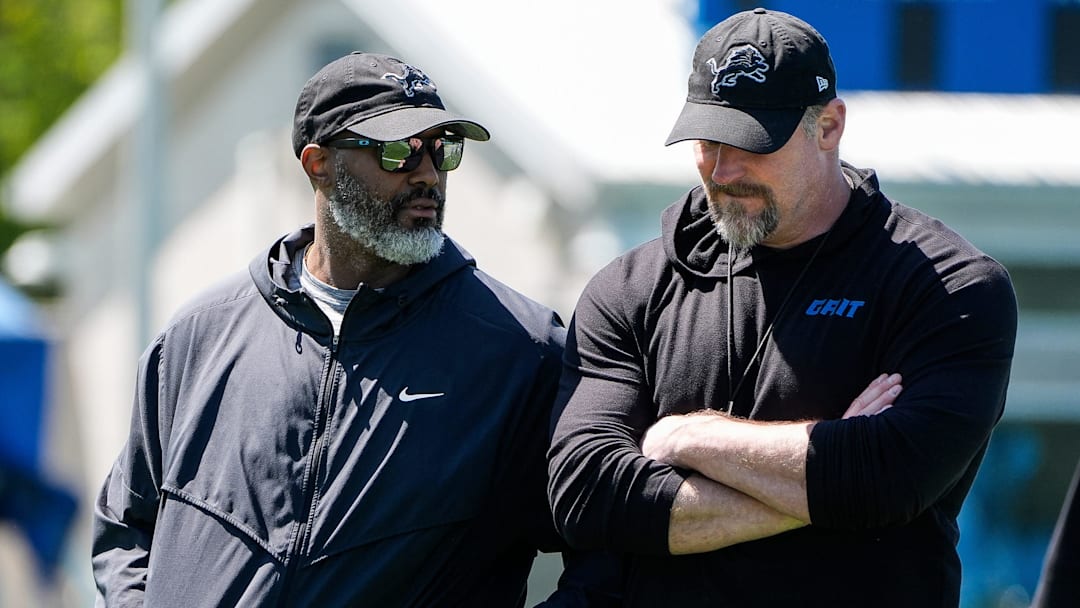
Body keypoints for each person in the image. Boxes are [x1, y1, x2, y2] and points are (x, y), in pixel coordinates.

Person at [93, 52, 616, 607]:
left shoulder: (521, 350)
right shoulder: (199, 335)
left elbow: (607, 553)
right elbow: (126, 525)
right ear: (318, 163)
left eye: (442, 149)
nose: (427, 174)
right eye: (398, 151)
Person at [547, 8, 1017, 607]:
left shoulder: (947, 284)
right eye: (708, 142)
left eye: (753, 143)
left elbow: (889, 480)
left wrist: (690, 435)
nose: (723, 171)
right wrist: (826, 476)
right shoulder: (632, 286)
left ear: (829, 126)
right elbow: (585, 494)